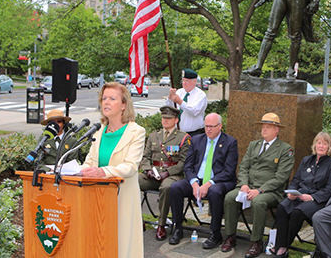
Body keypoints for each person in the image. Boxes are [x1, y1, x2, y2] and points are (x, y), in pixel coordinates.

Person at [80, 82, 146, 258]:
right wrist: (78, 171)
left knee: (122, 245)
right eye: (103, 98)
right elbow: (90, 162)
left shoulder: (136, 132)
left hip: (122, 197)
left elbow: (131, 166)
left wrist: (103, 172)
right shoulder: (98, 131)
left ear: (124, 104)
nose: (106, 102)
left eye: (112, 98)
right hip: (97, 198)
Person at [221, 113, 295, 258]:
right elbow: (243, 167)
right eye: (263, 126)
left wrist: (260, 190)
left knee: (258, 202)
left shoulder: (285, 149)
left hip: (271, 191)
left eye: (268, 127)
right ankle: (230, 236)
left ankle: (257, 242)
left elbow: (281, 177)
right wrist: (243, 184)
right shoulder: (254, 145)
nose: (264, 129)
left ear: (277, 130)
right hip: (248, 187)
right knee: (230, 197)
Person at [168, 113, 239, 249]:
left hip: (218, 181)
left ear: (220, 126)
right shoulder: (196, 140)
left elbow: (228, 170)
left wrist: (209, 183)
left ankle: (215, 233)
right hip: (198, 179)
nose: (208, 130)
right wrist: (194, 182)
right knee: (176, 187)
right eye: (206, 126)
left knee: (215, 192)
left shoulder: (230, 142)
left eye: (212, 126)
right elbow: (188, 165)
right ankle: (177, 227)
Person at [271, 132, 331, 258]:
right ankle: (279, 245)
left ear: (329, 147)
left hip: (317, 200)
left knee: (297, 213)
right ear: (315, 144)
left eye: (325, 144)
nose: (321, 146)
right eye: (319, 143)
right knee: (281, 208)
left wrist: (312, 197)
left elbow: (330, 189)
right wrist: (291, 192)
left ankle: (284, 246)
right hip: (298, 195)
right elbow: (296, 179)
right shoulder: (306, 160)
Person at [139, 106, 191, 241]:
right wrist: (147, 170)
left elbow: (183, 163)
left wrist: (167, 173)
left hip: (173, 175)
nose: (165, 120)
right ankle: (137, 219)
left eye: (169, 118)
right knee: (132, 181)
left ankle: (161, 224)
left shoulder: (183, 138)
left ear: (176, 120)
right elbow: (145, 157)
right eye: (163, 118)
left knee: (167, 187)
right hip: (153, 173)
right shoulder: (153, 136)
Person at [166, 68, 208, 136]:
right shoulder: (179, 92)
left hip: (193, 134)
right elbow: (169, 108)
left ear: (194, 81)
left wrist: (180, 102)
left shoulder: (201, 95)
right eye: (183, 80)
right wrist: (170, 98)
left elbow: (194, 111)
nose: (184, 83)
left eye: (187, 81)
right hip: (176, 133)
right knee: (173, 147)